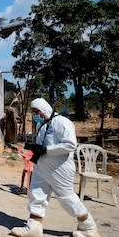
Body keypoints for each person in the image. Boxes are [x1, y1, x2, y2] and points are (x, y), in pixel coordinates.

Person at [11, 98, 100, 237]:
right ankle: (33, 228)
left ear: (45, 109)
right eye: (33, 112)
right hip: (42, 167)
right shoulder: (44, 126)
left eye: (37, 111)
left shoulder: (62, 122)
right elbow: (42, 147)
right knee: (37, 195)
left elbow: (70, 145)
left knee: (67, 198)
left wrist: (47, 149)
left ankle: (89, 228)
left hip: (60, 168)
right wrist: (33, 152)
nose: (35, 115)